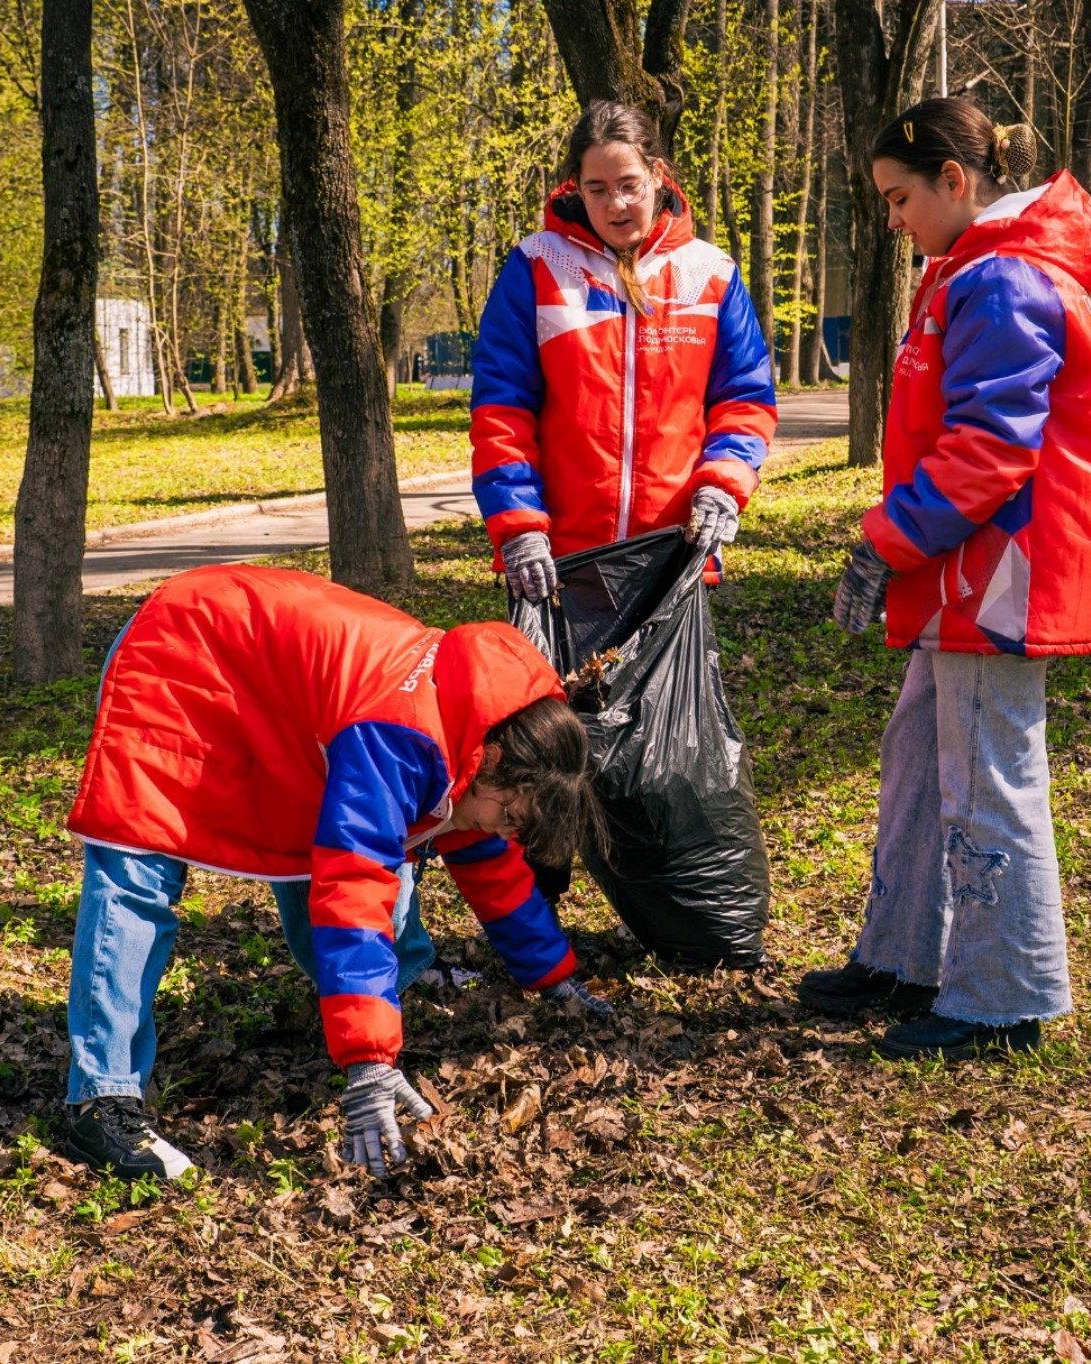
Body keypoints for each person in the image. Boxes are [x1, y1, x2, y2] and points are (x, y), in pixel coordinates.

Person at [60, 565, 611, 1181]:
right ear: (498, 760)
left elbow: (488, 858)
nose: (504, 831)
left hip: (277, 687)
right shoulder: (402, 735)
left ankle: (384, 988)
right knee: (139, 863)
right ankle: (100, 1097)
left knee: (330, 848)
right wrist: (370, 1062)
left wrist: (553, 979)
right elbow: (354, 884)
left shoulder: (485, 726)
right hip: (187, 651)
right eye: (508, 814)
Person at [800, 98, 1091, 1060]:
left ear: (955, 180)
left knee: (989, 771)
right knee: (919, 757)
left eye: (900, 198)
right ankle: (906, 956)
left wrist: (883, 543)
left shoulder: (1001, 279)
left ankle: (1003, 997)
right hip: (965, 575)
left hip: (1001, 576)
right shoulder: (970, 273)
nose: (892, 221)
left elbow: (989, 452)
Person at [469, 99, 778, 599]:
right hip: (557, 560)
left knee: (666, 684)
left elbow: (744, 400)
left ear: (657, 175)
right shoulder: (536, 265)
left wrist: (722, 486)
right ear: (576, 186)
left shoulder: (711, 272)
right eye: (597, 189)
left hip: (674, 553)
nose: (615, 204)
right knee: (559, 683)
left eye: (629, 185)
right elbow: (502, 409)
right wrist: (519, 525)